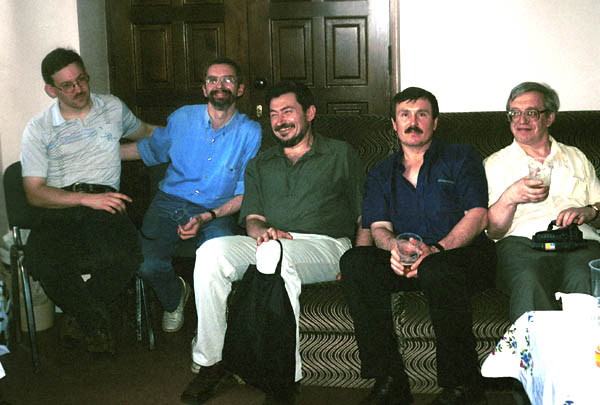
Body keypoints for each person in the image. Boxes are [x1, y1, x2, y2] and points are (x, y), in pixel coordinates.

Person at [180, 81, 366, 405]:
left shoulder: (340, 154)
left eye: (288, 111)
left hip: (327, 245)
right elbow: (252, 218)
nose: (280, 121)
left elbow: (367, 215)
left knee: (273, 255)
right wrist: (263, 232)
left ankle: (283, 381)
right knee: (210, 252)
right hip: (271, 243)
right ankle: (211, 363)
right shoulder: (259, 164)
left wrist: (358, 263)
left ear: (310, 113)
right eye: (274, 114)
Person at [340, 87, 496, 405]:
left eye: (422, 114)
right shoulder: (380, 172)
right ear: (394, 124)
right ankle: (390, 381)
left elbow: (478, 215)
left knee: (437, 268)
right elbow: (378, 227)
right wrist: (395, 250)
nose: (413, 122)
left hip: (459, 256)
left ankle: (462, 387)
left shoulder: (461, 157)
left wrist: (437, 250)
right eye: (405, 115)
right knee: (355, 260)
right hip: (408, 257)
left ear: (435, 122)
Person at [20, 48, 156, 353]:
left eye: (81, 79)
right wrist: (84, 199)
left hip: (106, 201)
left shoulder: (112, 107)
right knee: (41, 260)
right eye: (67, 85)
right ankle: (92, 322)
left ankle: (79, 317)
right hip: (61, 205)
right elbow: (34, 192)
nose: (78, 89)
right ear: (51, 90)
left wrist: (189, 134)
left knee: (125, 256)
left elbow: (146, 132)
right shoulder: (38, 128)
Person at [121, 57, 261, 333]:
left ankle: (213, 328)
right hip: (169, 202)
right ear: (204, 88)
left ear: (240, 89)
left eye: (228, 79)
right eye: (212, 80)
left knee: (222, 264)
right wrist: (100, 154)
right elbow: (150, 150)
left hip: (218, 209)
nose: (219, 85)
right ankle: (175, 297)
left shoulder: (250, 132)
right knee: (145, 263)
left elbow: (245, 192)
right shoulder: (182, 118)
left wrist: (207, 216)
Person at [485, 83, 600, 319]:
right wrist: (510, 197)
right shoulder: (495, 164)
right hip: (523, 244)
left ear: (549, 118)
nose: (521, 120)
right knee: (529, 280)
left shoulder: (576, 157)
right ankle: (533, 345)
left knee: (585, 281)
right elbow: (494, 231)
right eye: (515, 113)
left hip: (579, 241)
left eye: (531, 112)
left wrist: (590, 211)